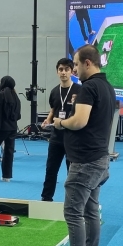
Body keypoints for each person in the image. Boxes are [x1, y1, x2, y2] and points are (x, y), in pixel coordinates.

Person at [47, 45, 115, 246]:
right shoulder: (107, 86)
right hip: (98, 158)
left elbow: (79, 121)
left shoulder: (88, 88)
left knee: (74, 213)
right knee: (90, 210)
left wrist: (60, 122)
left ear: (87, 63)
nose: (73, 70)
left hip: (85, 163)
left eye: (75, 64)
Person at [41, 58, 81, 202]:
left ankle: (73, 201)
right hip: (56, 138)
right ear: (57, 72)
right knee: (51, 170)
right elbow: (54, 110)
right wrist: (48, 119)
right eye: (60, 69)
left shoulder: (79, 90)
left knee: (72, 172)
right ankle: (46, 199)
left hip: (72, 138)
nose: (63, 72)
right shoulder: (54, 91)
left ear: (71, 72)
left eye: (66, 69)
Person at [0, 75, 21, 181]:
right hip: (12, 128)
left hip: (1, 128)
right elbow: (18, 116)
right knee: (9, 152)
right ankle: (7, 176)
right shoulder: (16, 98)